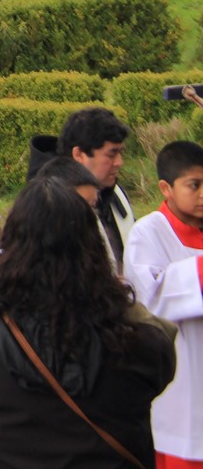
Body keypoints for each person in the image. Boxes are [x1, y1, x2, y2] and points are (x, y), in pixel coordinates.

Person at [0, 178, 179, 468]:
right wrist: (109, 296)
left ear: (11, 248)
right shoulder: (135, 339)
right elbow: (161, 355)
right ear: (94, 249)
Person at [125, 139, 203, 466]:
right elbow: (151, 297)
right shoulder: (148, 233)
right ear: (165, 188)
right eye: (194, 185)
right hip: (181, 378)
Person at [59, 106, 135, 276]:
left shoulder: (115, 194)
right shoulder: (52, 208)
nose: (119, 162)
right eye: (111, 154)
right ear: (79, 154)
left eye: (120, 152)